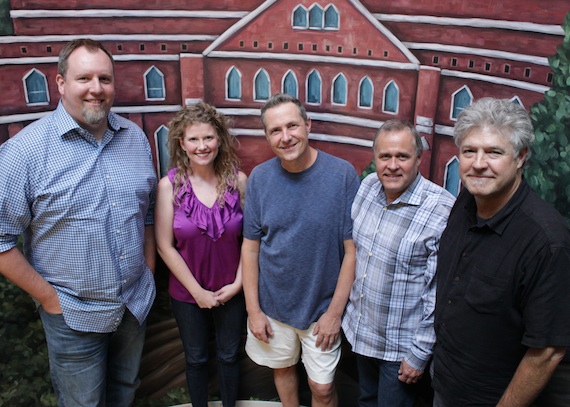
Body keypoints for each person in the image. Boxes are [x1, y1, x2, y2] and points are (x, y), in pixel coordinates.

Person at [0, 38, 157, 406]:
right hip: (72, 314)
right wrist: (50, 299)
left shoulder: (134, 137)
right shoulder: (25, 152)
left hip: (133, 306)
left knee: (125, 393)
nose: (96, 89)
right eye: (84, 78)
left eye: (105, 78)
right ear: (60, 83)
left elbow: (147, 212)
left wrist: (147, 269)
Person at [432, 97, 570, 406]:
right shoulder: (466, 200)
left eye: (494, 152)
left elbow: (547, 351)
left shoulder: (546, 241)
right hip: (443, 383)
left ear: (520, 157)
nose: (478, 163)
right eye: (470, 151)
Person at [242, 93, 360, 407]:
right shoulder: (260, 179)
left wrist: (334, 314)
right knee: (282, 371)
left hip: (321, 309)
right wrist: (254, 311)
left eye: (292, 125)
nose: (286, 136)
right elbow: (251, 249)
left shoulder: (342, 175)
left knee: (321, 388)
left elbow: (352, 251)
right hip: (272, 306)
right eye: (275, 130)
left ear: (308, 125)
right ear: (267, 136)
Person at [342, 120, 455, 407]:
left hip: (401, 350)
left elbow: (439, 292)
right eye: (385, 156)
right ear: (375, 158)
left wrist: (419, 353)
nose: (392, 165)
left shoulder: (442, 209)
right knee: (366, 400)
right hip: (362, 334)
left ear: (418, 159)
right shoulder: (367, 187)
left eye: (402, 157)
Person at [154, 102, 247, 407]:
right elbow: (164, 245)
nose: (202, 146)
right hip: (187, 293)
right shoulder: (169, 187)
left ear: (219, 139)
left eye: (208, 137)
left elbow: (252, 240)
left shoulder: (239, 182)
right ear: (181, 143)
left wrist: (238, 285)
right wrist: (197, 293)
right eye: (193, 139)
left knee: (230, 356)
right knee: (195, 359)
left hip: (232, 289)